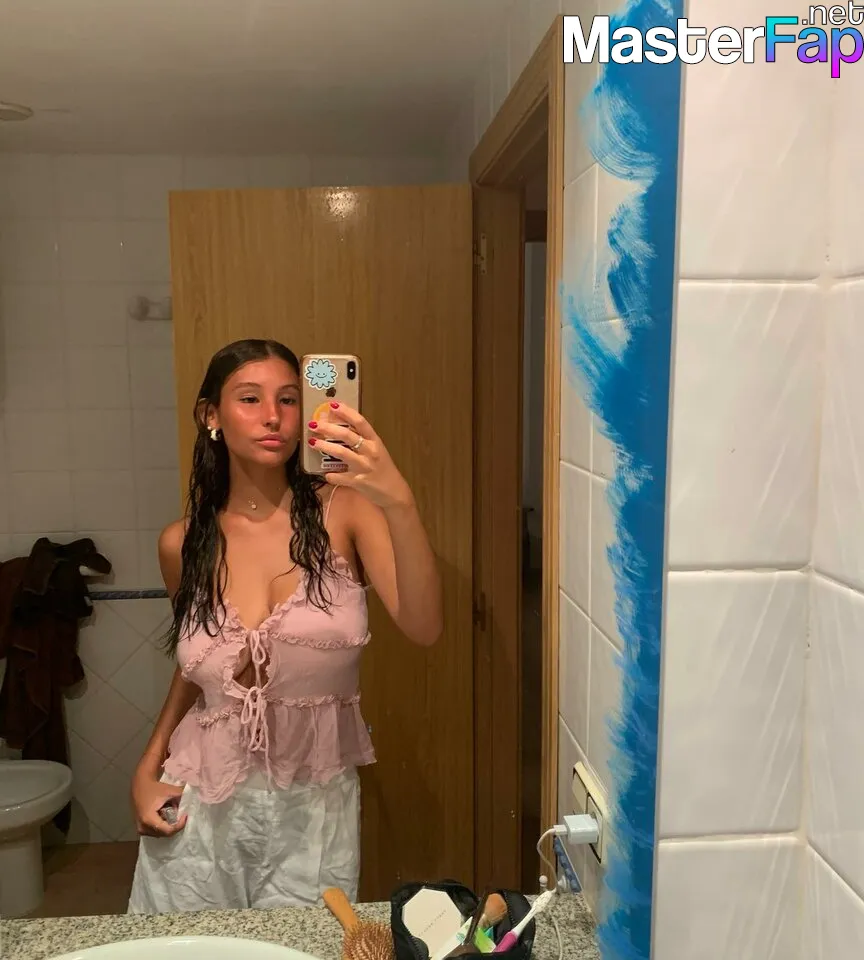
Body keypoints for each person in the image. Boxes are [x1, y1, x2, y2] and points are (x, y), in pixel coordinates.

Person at [127, 338, 442, 914]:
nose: (273, 416)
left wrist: (398, 500)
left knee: (304, 947)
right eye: (250, 398)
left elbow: (423, 626)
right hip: (200, 799)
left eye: (290, 399)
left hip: (313, 809)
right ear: (211, 415)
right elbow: (197, 671)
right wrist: (147, 769)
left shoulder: (348, 512)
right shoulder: (182, 543)